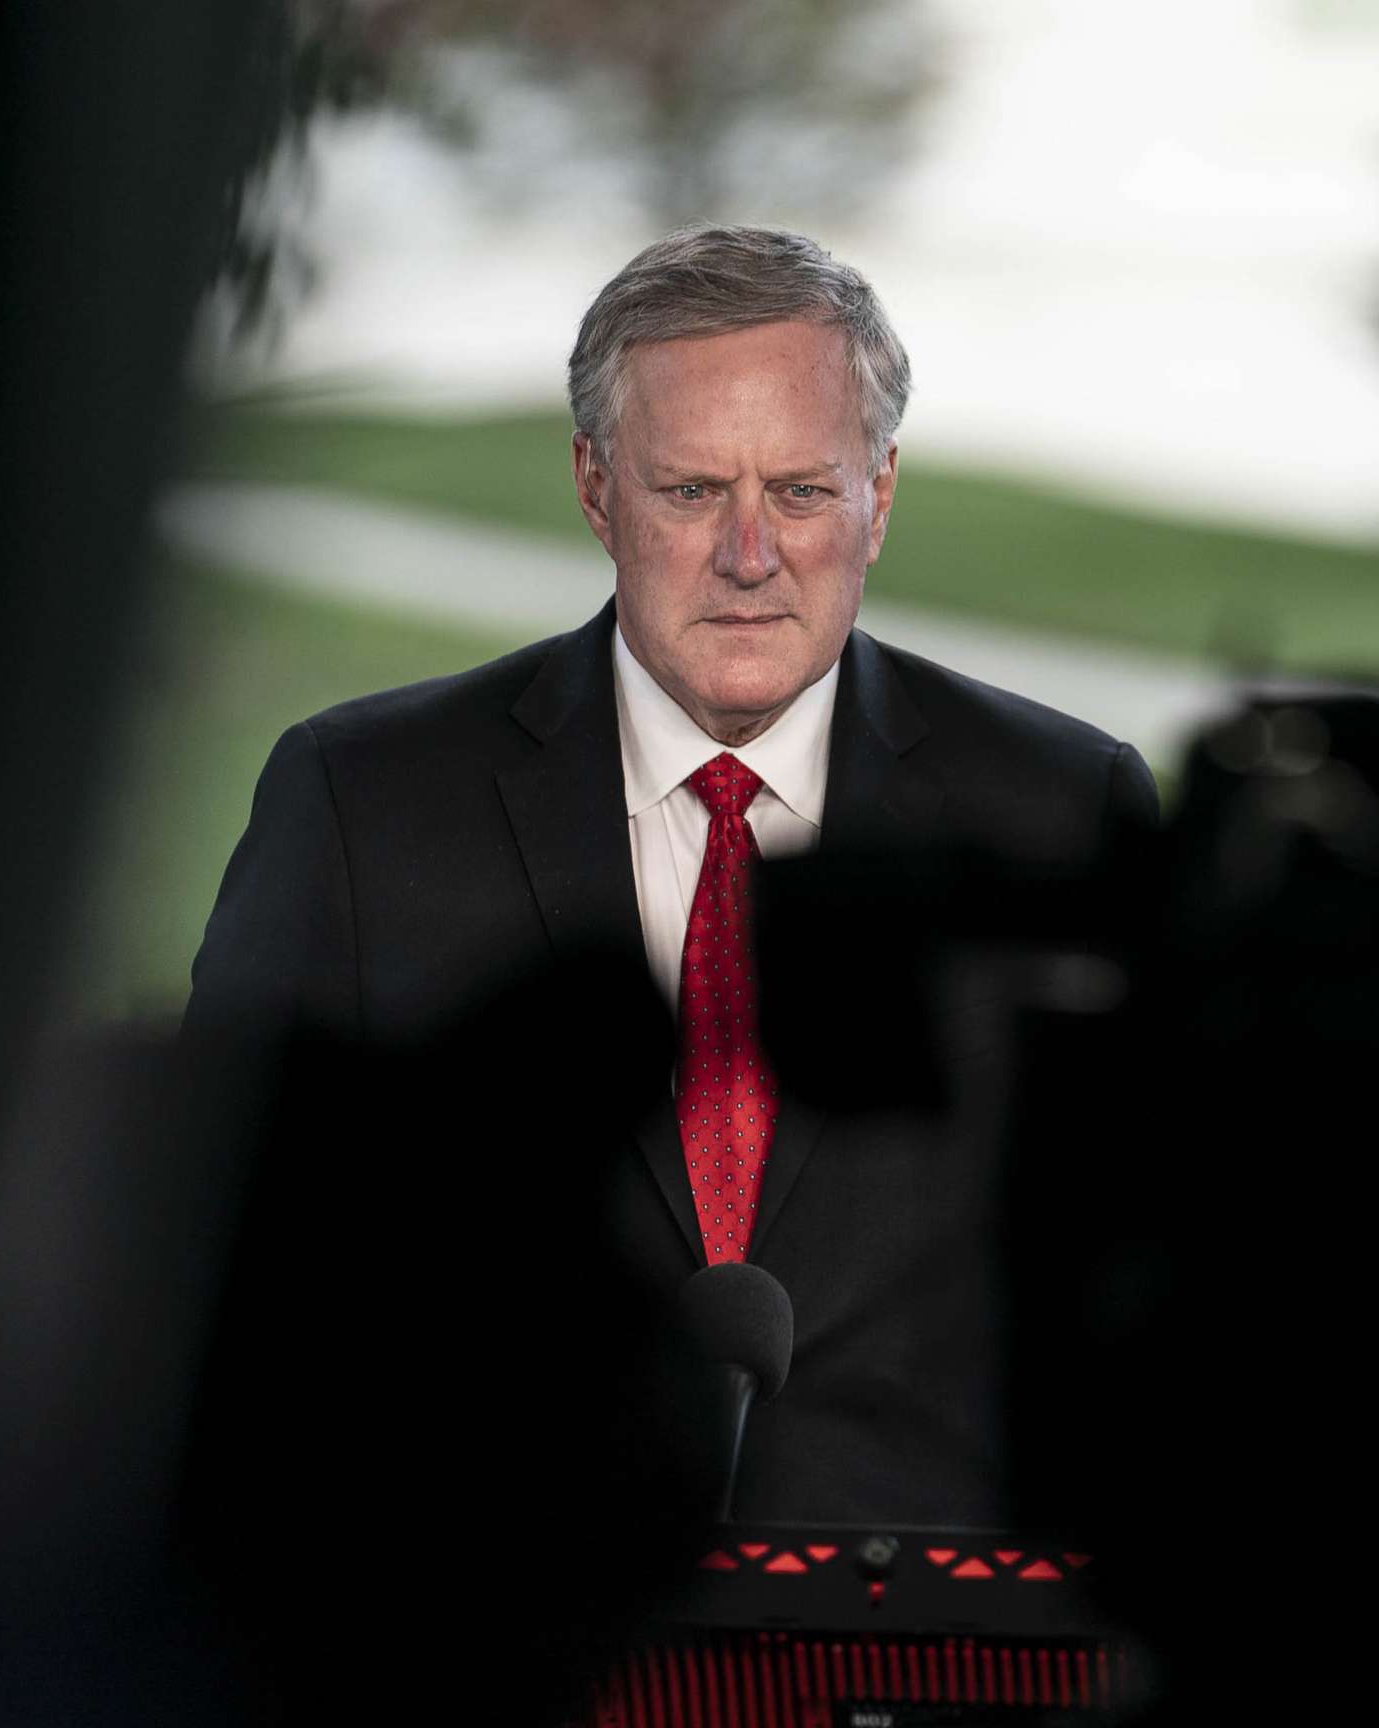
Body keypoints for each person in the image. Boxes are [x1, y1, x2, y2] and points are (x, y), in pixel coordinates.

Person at [186, 224, 1160, 1524]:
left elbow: (1135, 1309)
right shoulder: (359, 801)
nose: (750, 555)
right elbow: (217, 1278)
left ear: (882, 496)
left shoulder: (1060, 811)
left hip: (927, 1651)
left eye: (803, 493)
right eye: (693, 490)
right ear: (597, 489)